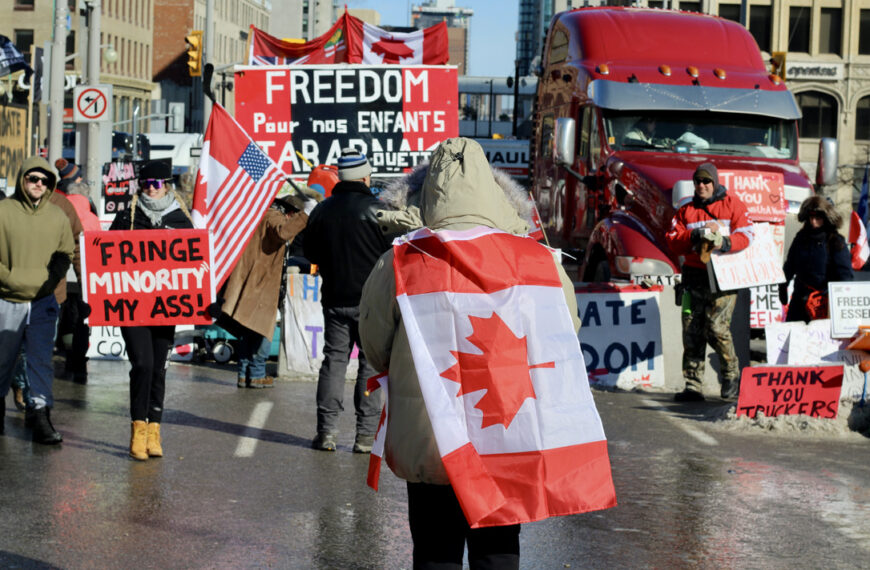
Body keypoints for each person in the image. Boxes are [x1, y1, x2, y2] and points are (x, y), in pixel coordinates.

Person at [358, 138, 587, 568]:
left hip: (429, 431)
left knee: (434, 549)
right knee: (498, 550)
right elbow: (565, 332)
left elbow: (374, 342)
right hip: (507, 428)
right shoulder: (534, 258)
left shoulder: (403, 258)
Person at [303, 148, 392, 453]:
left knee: (334, 361)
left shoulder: (322, 210)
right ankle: (365, 436)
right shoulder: (379, 210)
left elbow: (309, 253)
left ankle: (326, 432)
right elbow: (394, 256)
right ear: (365, 176)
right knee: (369, 365)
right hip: (372, 304)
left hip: (334, 299)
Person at [110, 161, 193, 460]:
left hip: (165, 308)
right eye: (145, 183)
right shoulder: (126, 217)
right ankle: (138, 428)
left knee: (158, 368)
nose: (151, 188)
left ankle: (154, 430)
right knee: (142, 365)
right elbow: (105, 260)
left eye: (156, 183)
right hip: (132, 307)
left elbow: (195, 264)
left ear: (167, 185)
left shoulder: (181, 219)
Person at [0, 156, 75, 443]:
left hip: (43, 301)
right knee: (2, 359)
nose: (38, 184)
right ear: (22, 179)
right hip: (7, 298)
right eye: (33, 179)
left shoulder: (57, 216)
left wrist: (51, 280)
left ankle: (41, 414)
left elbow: (65, 252)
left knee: (41, 360)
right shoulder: (3, 211)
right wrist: (7, 279)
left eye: (44, 180)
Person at [665, 162, 754, 402]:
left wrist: (724, 243)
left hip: (723, 279)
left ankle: (730, 376)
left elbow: (747, 234)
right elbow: (672, 239)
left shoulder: (731, 204)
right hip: (693, 278)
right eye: (698, 181)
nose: (701, 185)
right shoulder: (686, 210)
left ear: (714, 183)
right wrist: (694, 234)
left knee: (716, 328)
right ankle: (693, 385)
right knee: (691, 330)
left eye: (706, 181)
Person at [218, 196, 307, 389]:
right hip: (261, 282)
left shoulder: (261, 214)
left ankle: (243, 374)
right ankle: (257, 374)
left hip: (252, 280)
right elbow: (283, 233)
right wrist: (305, 216)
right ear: (290, 212)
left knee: (248, 329)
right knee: (262, 329)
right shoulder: (273, 216)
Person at [779, 196, 853, 322]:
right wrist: (782, 286)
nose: (813, 222)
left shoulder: (835, 241)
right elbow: (789, 265)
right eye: (811, 218)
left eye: (817, 218)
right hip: (799, 299)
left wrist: (839, 302)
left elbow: (845, 276)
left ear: (825, 219)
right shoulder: (800, 238)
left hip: (824, 303)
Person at [59, 181, 101, 383]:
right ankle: (79, 365)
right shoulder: (92, 218)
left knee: (64, 318)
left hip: (60, 275)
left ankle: (66, 358)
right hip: (85, 275)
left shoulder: (58, 211)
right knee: (82, 321)